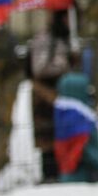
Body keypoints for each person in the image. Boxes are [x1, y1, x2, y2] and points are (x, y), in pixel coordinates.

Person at [25, 9, 72, 182]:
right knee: (48, 142)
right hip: (46, 96)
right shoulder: (46, 41)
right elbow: (35, 70)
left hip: (61, 96)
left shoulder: (67, 39)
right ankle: (51, 178)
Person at [53, 68, 98, 183]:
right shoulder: (83, 120)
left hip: (66, 175)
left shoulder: (62, 115)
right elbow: (88, 152)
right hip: (87, 178)